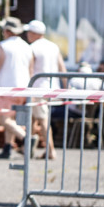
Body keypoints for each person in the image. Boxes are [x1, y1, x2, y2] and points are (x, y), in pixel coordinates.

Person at [0, 16, 36, 160]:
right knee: (12, 119)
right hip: (24, 88)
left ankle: (26, 138)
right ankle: (7, 148)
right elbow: (31, 70)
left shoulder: (4, 45)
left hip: (8, 88)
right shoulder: (27, 47)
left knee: (3, 120)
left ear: (7, 31)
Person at [25, 20, 66, 159]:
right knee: (32, 118)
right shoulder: (53, 46)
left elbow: (30, 70)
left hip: (37, 88)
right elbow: (62, 68)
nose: (27, 34)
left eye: (29, 32)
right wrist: (65, 88)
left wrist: (27, 88)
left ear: (34, 33)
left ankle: (50, 150)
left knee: (42, 120)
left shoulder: (32, 47)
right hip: (53, 88)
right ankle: (29, 148)